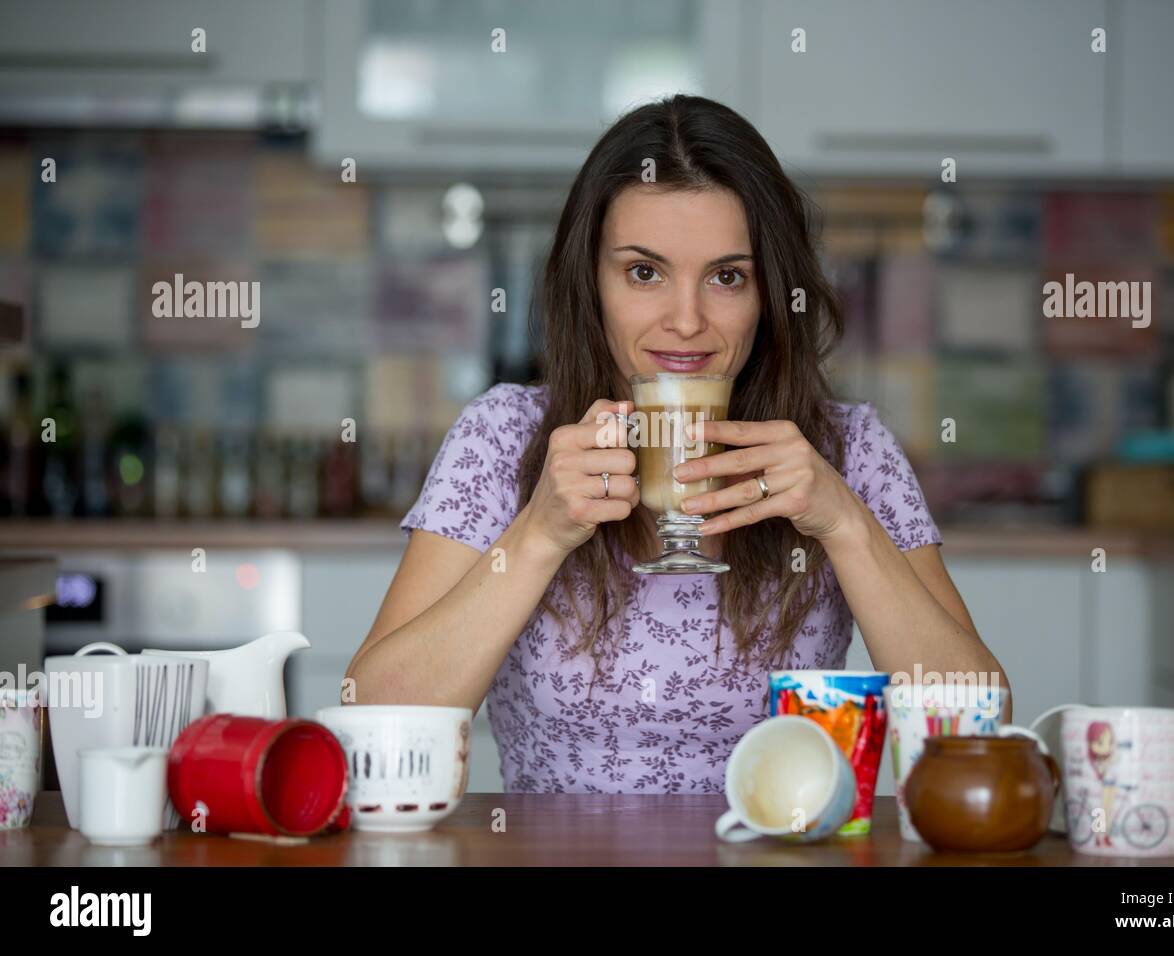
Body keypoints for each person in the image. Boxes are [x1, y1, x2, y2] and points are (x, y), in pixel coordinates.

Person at [346, 94, 1008, 793]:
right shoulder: (504, 439)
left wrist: (844, 523)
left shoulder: (850, 454)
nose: (686, 321)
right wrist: (539, 535)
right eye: (643, 272)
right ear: (591, 284)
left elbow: (976, 734)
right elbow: (371, 716)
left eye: (727, 277)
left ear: (769, 294)